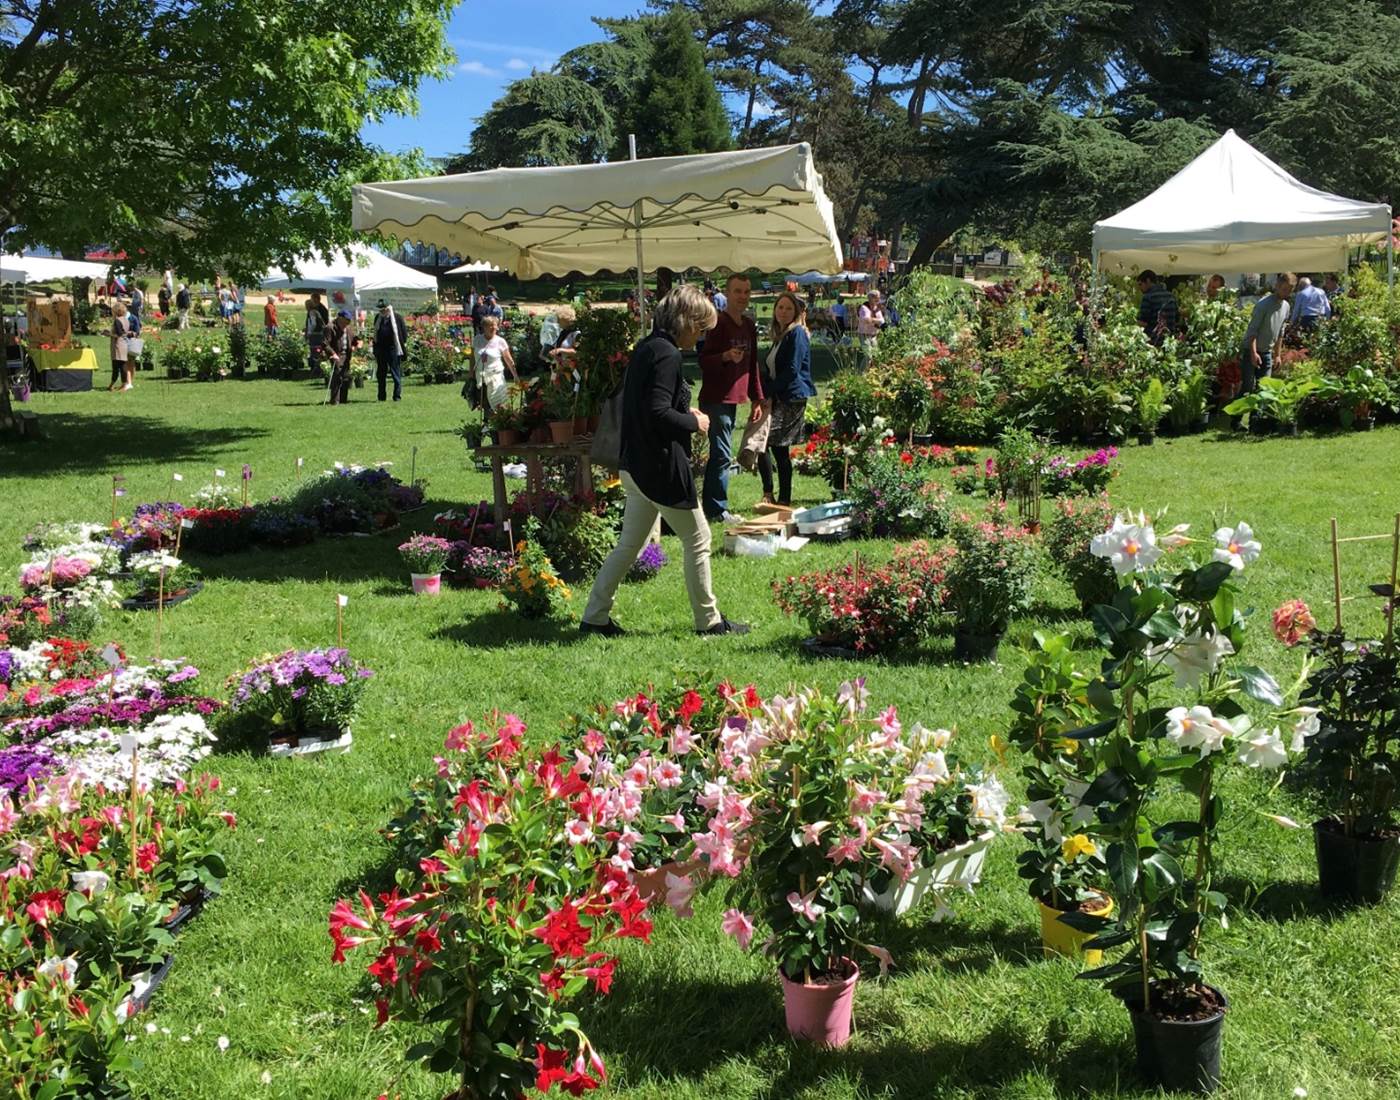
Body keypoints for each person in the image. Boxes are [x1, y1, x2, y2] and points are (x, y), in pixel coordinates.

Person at [581, 285, 749, 638]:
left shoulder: (647, 347)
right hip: (658, 466)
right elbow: (657, 413)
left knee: (629, 545)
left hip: (635, 464)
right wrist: (695, 421)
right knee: (699, 538)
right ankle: (709, 621)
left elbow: (648, 405)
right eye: (700, 328)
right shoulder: (667, 354)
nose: (701, 336)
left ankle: (594, 616)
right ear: (686, 321)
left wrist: (680, 410)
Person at [697, 273, 765, 522]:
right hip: (716, 399)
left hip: (735, 398)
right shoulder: (718, 324)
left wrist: (757, 398)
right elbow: (704, 361)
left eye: (746, 292)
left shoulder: (747, 325)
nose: (743, 297)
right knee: (722, 455)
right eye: (737, 291)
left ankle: (714, 507)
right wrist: (725, 356)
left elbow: (753, 362)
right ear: (727, 293)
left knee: (722, 454)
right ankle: (716, 510)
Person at [757, 292, 815, 507]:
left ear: (796, 312)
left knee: (776, 446)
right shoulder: (780, 336)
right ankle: (769, 494)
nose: (783, 311)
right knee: (763, 443)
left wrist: (769, 391)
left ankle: (783, 499)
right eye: (780, 307)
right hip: (777, 395)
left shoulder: (797, 333)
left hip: (791, 397)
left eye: (788, 308)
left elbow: (792, 369)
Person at [1240, 272, 1295, 396]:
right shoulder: (1263, 305)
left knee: (1264, 390)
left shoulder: (1286, 306)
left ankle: (1257, 416)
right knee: (1247, 388)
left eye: (1290, 290)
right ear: (1277, 286)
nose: (1287, 293)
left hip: (1267, 353)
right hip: (1251, 351)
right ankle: (1236, 415)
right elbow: (1253, 330)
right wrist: (1253, 353)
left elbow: (1280, 332)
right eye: (1284, 289)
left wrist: (1277, 355)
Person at [475, 314, 517, 411]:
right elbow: (473, 358)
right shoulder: (477, 339)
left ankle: (501, 422)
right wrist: (471, 374)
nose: (494, 327)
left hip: (496, 376)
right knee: (484, 403)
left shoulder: (500, 341)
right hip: (481, 377)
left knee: (498, 403)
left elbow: (509, 360)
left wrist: (515, 376)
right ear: (484, 327)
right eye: (490, 325)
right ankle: (486, 424)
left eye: (495, 325)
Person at [373, 298, 408, 402]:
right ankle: (381, 397)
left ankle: (397, 396)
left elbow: (404, 335)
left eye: (384, 310)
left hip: (393, 349)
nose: (382, 312)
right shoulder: (377, 318)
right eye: (380, 310)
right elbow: (376, 334)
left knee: (395, 373)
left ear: (389, 309)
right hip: (381, 350)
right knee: (381, 375)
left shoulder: (397, 318)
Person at [1135, 270, 1178, 345]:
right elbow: (1177, 317)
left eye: (1140, 284)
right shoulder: (1170, 295)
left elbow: (1142, 321)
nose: (1140, 288)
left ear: (1148, 281)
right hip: (1169, 341)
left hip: (1153, 340)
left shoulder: (1148, 297)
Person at [323, 309, 356, 405]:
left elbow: (353, 339)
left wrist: (357, 344)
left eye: (349, 321)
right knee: (337, 377)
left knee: (346, 377)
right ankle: (334, 401)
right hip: (337, 355)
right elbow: (325, 344)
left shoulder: (348, 328)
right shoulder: (330, 327)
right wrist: (332, 353)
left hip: (347, 355)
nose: (348, 323)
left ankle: (343, 400)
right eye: (346, 321)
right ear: (340, 318)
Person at [109, 301, 132, 392]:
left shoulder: (117, 320)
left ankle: (122, 384)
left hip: (118, 344)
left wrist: (108, 334)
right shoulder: (126, 319)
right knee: (122, 365)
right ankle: (120, 384)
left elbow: (118, 334)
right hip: (124, 344)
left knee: (117, 366)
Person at [305, 291, 329, 371]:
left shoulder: (314, 311)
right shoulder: (317, 309)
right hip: (320, 333)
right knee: (318, 350)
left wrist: (309, 332)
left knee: (316, 350)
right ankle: (318, 367)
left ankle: (317, 368)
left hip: (316, 334)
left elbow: (314, 324)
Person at [856, 289, 885, 354]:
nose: (878, 300)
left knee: (875, 355)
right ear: (870, 298)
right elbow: (867, 320)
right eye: (876, 298)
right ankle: (865, 364)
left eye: (878, 298)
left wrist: (873, 320)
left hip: (874, 336)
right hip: (864, 335)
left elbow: (882, 321)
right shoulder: (864, 308)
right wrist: (878, 320)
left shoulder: (877, 309)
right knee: (868, 356)